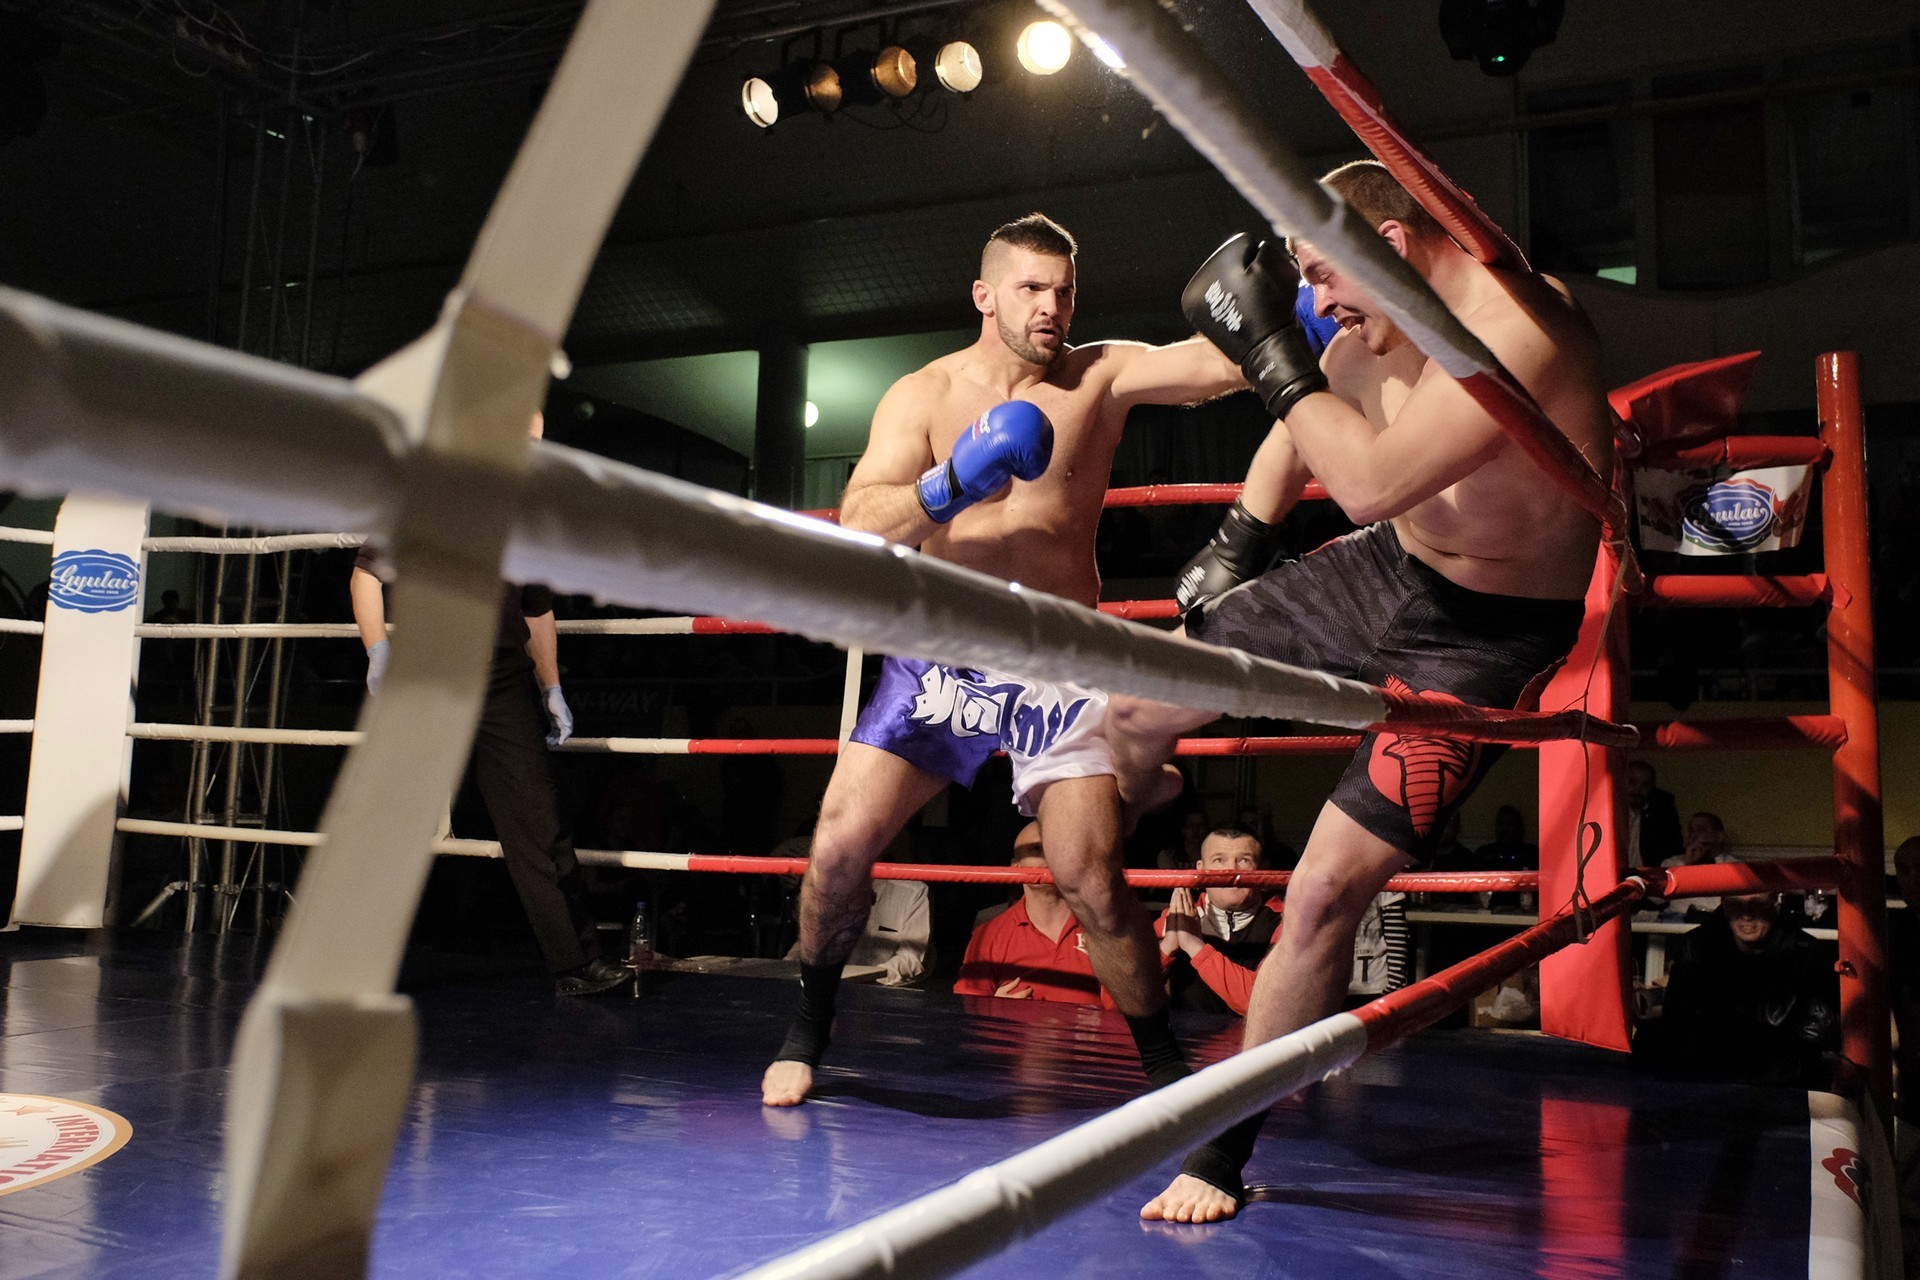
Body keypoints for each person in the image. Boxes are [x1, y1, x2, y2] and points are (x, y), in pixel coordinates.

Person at [1110, 158, 1613, 1221]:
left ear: (1389, 242)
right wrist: (1240, 539)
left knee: (1324, 892)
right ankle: (1148, 788)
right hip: (1384, 568)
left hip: (1485, 634)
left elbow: (1371, 478)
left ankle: (1221, 1153)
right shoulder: (1363, 333)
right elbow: (1295, 432)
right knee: (1137, 697)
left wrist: (1272, 354)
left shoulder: (1519, 328)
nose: (1315, 296)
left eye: (1320, 270)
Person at [761, 213, 1248, 1106]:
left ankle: (1164, 1070)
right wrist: (951, 482)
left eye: (1064, 291)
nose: (1051, 307)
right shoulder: (924, 394)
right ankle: (808, 1024)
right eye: (1031, 289)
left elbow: (1220, 365)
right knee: (836, 845)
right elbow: (860, 522)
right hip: (946, 654)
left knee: (1090, 877)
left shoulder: (1099, 374)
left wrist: (1307, 310)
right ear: (985, 295)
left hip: (1059, 655)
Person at [350, 412, 629, 998]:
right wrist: (377, 649)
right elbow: (367, 575)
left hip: (503, 678)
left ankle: (576, 964)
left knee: (538, 820)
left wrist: (551, 686)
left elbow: (537, 609)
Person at [1633, 891, 1839, 1087]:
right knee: (1649, 1038)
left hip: (1777, 1080)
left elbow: (1815, 1040)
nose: (1746, 914)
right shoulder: (1696, 946)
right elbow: (1677, 1021)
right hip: (1707, 1074)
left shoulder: (1808, 953)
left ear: (1776, 901)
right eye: (1736, 904)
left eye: (1757, 904)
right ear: (1724, 903)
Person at [954, 823, 1106, 1005]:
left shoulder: (1103, 927)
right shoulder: (990, 935)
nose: (1050, 856)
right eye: (1037, 849)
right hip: (1012, 1025)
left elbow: (1125, 1009)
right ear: (1016, 866)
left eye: (1059, 848)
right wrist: (992, 1008)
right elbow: (967, 1009)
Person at [1157, 827, 1283, 1015]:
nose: (1231, 871)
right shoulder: (1177, 916)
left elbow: (1264, 1003)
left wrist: (1194, 946)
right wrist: (1166, 948)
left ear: (1261, 869)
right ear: (1200, 869)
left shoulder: (1285, 920)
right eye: (1219, 860)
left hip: (1258, 1034)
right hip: (1188, 1033)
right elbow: (1120, 997)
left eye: (1244, 860)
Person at [1624, 759, 1682, 866]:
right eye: (1632, 782)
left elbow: (1672, 850)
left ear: (1652, 787)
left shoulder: (1662, 815)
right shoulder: (1610, 813)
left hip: (1648, 874)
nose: (1638, 789)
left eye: (1645, 785)